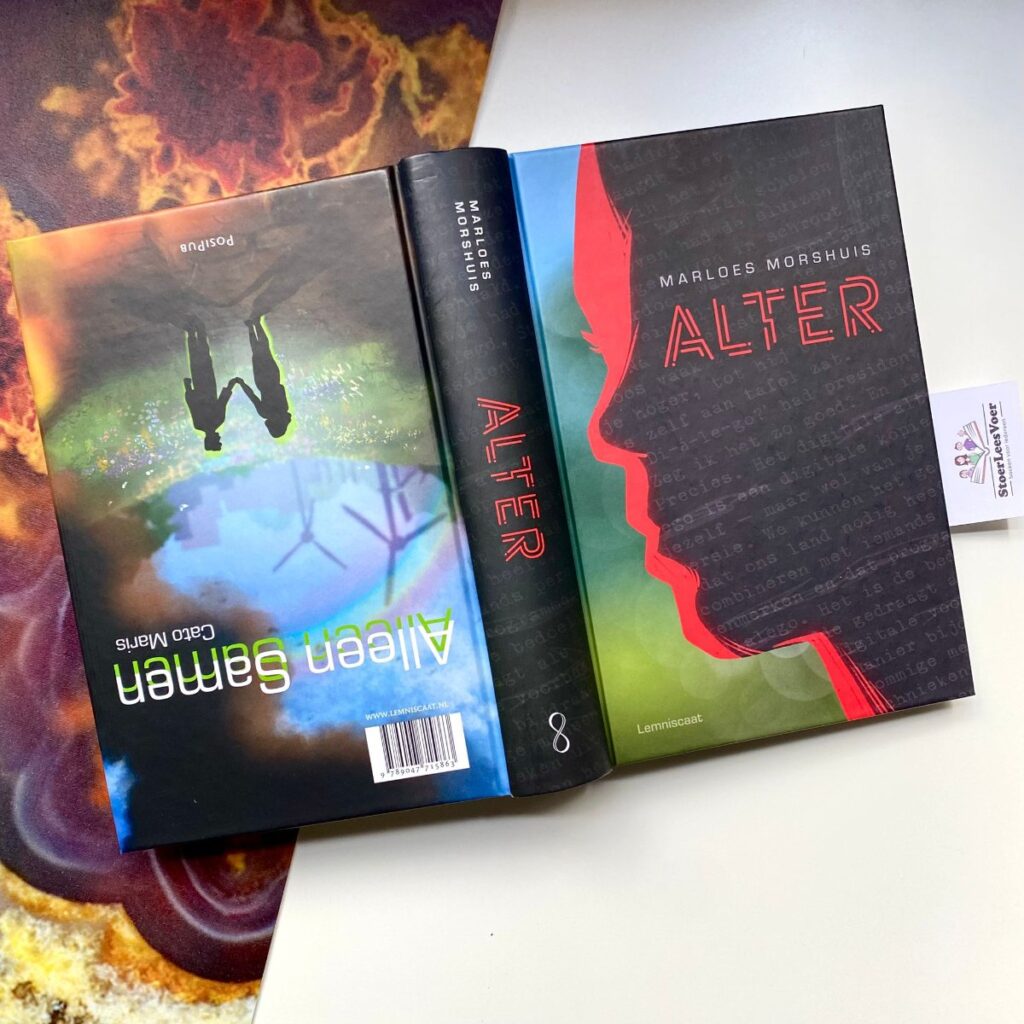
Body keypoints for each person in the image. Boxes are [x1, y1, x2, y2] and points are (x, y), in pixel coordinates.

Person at [233, 316, 292, 438]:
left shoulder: (283, 408)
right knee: (258, 352)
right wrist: (242, 384)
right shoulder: (264, 412)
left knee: (264, 350)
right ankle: (251, 326)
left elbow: (281, 388)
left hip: (272, 378)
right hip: (262, 381)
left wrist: (242, 384)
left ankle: (256, 324)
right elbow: (252, 396)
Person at [183, 318, 236, 452]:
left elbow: (222, 401)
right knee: (195, 359)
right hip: (201, 384)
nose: (219, 438)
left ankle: (199, 329)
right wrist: (188, 388)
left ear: (211, 440)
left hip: (208, 385)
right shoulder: (199, 424)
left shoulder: (218, 420)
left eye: (217, 441)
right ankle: (191, 332)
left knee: (204, 357)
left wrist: (231, 385)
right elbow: (192, 404)